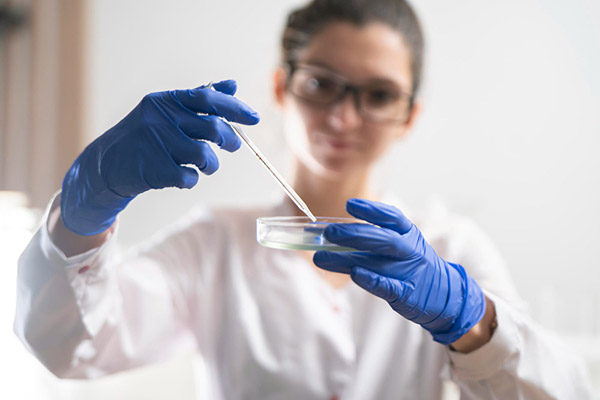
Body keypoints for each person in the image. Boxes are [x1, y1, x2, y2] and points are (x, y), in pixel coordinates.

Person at [14, 0, 591, 398]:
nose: (343, 117)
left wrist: (472, 323)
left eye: (378, 94)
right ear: (280, 87)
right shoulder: (216, 244)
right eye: (322, 84)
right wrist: (81, 212)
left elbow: (561, 392)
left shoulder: (450, 246)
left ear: (409, 115)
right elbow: (66, 348)